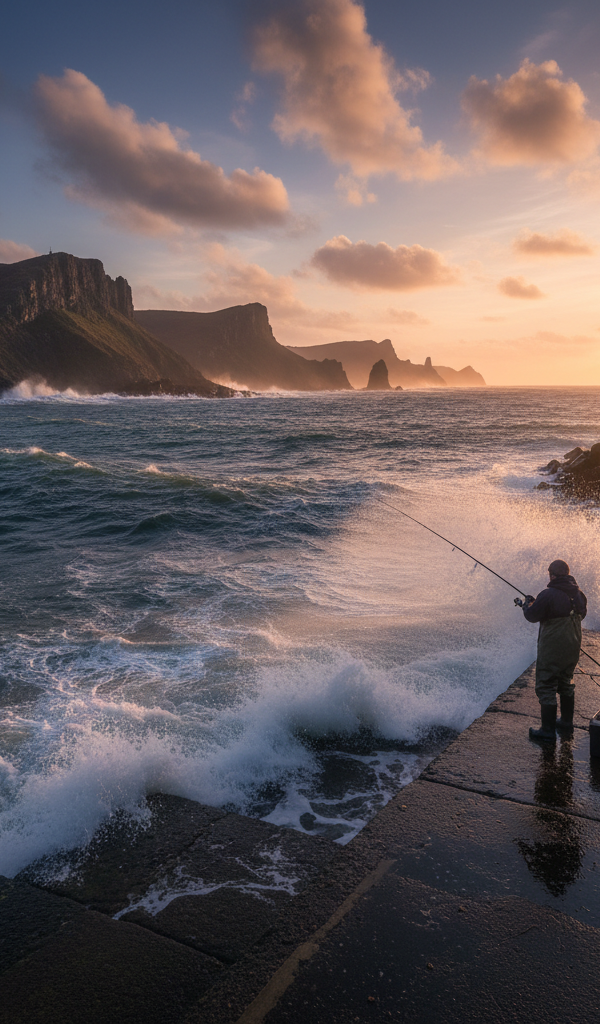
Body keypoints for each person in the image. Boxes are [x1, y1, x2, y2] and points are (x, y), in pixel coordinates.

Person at [521, 559, 587, 741]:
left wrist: (527, 605)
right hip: (572, 645)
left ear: (553, 575)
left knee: (546, 683)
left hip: (553, 647)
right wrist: (538, 604)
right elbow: (581, 614)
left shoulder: (548, 594)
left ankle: (547, 731)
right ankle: (566, 722)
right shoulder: (579, 594)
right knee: (566, 681)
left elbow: (532, 616)